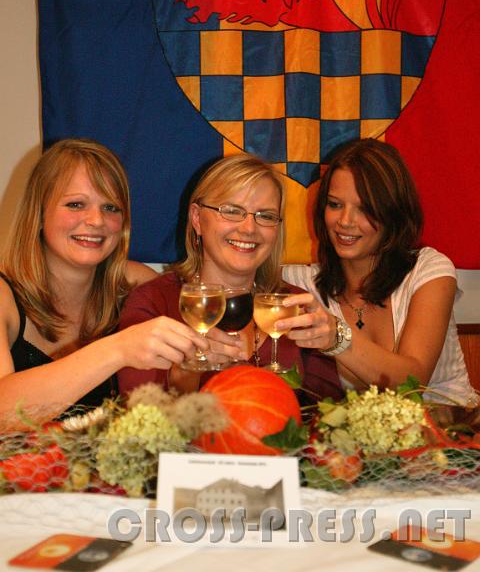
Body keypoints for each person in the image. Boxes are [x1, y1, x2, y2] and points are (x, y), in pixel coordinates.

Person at [0, 139, 208, 426]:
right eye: (76, 204)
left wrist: (197, 355)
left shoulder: (137, 284)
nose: (96, 220)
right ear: (38, 213)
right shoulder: (3, 294)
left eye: (111, 207)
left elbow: (179, 400)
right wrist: (117, 349)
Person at [117, 153, 342, 399]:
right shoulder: (153, 303)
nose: (248, 228)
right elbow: (137, 421)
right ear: (197, 219)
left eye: (265, 216)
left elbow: (328, 414)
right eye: (232, 211)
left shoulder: (296, 307)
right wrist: (186, 373)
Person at [279, 138, 477, 406]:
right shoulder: (302, 283)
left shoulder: (429, 268)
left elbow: (413, 382)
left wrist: (336, 337)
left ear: (392, 213)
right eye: (335, 204)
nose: (345, 222)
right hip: (362, 445)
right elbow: (237, 271)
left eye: (365, 208)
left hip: (451, 436)